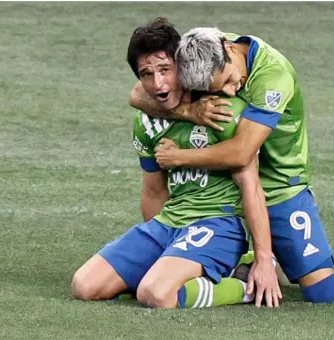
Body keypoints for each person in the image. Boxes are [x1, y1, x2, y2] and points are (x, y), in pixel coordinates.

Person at [129, 26, 334, 304]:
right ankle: (259, 258)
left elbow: (241, 153)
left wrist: (179, 158)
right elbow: (137, 95)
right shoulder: (202, 51)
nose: (229, 92)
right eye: (216, 90)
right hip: (227, 185)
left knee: (322, 292)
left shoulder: (273, 77)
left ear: (230, 50)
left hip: (280, 185)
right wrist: (188, 111)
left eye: (228, 81)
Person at [71, 18, 275, 309]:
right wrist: (159, 252)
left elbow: (252, 189)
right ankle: (173, 272)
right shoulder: (147, 122)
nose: (158, 84)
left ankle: (244, 287)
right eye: (146, 74)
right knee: (85, 285)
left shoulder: (222, 109)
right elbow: (154, 192)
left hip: (218, 225)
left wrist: (264, 258)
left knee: (155, 293)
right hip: (169, 224)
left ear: (182, 65)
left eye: (165, 69)